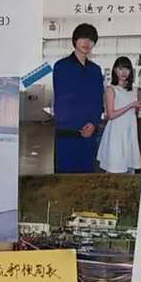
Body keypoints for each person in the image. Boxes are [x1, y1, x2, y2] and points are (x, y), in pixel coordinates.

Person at [53, 24, 105, 173]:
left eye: (91, 40)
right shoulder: (61, 66)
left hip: (89, 133)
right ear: (75, 40)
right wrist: (80, 127)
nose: (87, 43)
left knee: (86, 176)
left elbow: (98, 101)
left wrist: (93, 123)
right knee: (65, 176)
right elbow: (62, 100)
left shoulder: (95, 70)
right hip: (68, 133)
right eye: (83, 38)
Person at [98, 57, 141, 173]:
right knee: (114, 168)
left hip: (130, 130)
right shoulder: (111, 89)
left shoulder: (134, 89)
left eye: (127, 69)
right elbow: (111, 114)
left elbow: (134, 112)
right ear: (114, 70)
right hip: (116, 132)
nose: (124, 72)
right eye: (120, 68)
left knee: (129, 167)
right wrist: (131, 105)